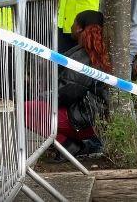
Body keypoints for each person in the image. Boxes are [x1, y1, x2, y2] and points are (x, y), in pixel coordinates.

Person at [25, 10, 109, 161]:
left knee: (25, 110)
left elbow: (65, 93)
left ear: (79, 28)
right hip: (91, 116)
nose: (70, 26)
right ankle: (74, 143)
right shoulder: (97, 51)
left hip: (84, 120)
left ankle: (69, 145)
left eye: (73, 22)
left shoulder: (83, 56)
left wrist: (40, 97)